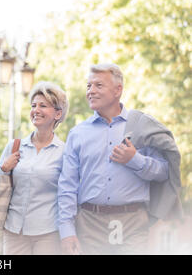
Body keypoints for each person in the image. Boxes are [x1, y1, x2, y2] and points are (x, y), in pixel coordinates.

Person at [57, 63, 181, 255]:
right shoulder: (78, 133)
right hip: (90, 224)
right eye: (88, 86)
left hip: (133, 222)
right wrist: (67, 231)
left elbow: (165, 171)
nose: (91, 91)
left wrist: (135, 160)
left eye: (98, 85)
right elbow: (67, 186)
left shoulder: (141, 126)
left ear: (118, 90)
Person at [0, 81, 69, 255]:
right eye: (34, 105)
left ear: (57, 113)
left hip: (48, 232)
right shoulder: (15, 146)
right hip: (13, 230)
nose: (36, 110)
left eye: (43, 105)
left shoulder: (64, 152)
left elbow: (68, 194)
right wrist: (4, 169)